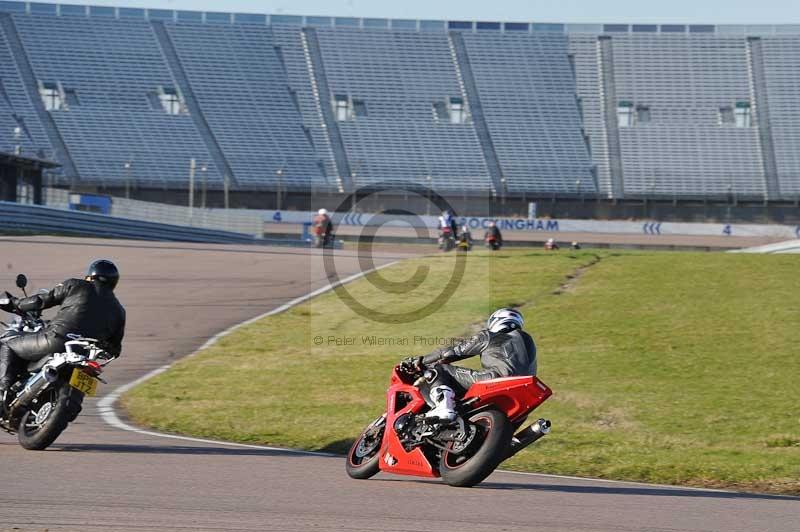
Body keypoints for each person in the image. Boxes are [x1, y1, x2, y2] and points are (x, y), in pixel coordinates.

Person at [0, 260, 126, 400]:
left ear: (91, 276)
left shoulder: (77, 285)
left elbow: (40, 301)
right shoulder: (120, 311)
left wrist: (15, 303)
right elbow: (115, 349)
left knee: (8, 344)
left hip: (56, 338)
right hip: (82, 355)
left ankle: (2, 391)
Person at [401, 308, 536, 421]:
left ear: (495, 322)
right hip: (524, 390)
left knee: (440, 370)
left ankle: (443, 408)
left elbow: (450, 353)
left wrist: (420, 361)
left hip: (495, 379)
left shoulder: (490, 336)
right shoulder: (529, 343)